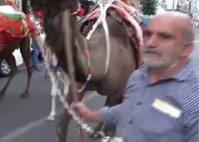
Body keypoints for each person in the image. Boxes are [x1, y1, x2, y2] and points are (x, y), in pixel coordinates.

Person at [71, 12, 199, 142]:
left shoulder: (194, 98)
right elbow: (130, 108)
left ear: (186, 49)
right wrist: (92, 115)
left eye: (165, 37)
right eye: (148, 34)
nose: (151, 43)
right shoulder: (137, 77)